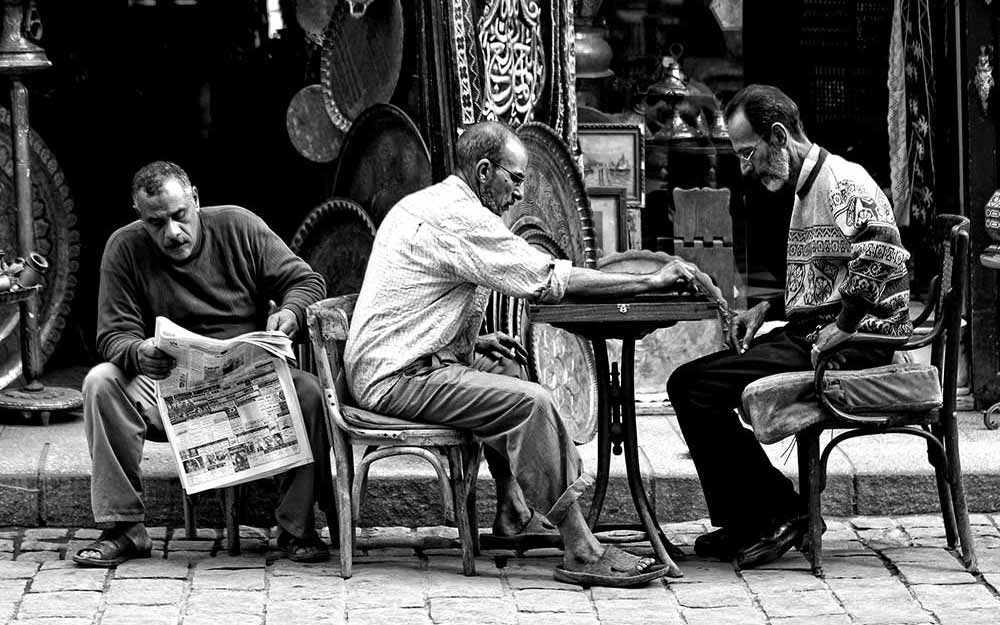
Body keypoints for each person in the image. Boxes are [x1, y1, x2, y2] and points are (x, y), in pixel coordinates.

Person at [344, 121, 704, 588]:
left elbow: (409, 301)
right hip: (397, 375)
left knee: (505, 361)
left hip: (409, 357)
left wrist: (468, 344)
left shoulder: (432, 203)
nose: (518, 193)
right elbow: (546, 277)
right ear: (484, 171)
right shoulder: (457, 215)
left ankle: (513, 511)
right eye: (514, 179)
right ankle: (580, 546)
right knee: (531, 403)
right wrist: (646, 280)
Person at [667, 85, 912, 569]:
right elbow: (826, 280)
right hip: (821, 333)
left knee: (693, 386)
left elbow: (885, 251)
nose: (745, 167)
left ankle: (780, 512)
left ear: (778, 137)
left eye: (747, 152)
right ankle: (752, 517)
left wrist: (845, 325)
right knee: (694, 383)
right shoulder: (808, 187)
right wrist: (767, 308)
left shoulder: (842, 180)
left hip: (856, 344)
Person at [74, 161, 332, 567]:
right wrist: (137, 353)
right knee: (101, 381)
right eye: (156, 223)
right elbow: (112, 335)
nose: (172, 232)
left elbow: (308, 281)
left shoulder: (239, 226)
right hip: (167, 391)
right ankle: (124, 528)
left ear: (196, 198)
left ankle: (295, 527)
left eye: (180, 216)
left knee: (311, 394)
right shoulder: (124, 248)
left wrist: (292, 312)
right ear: (140, 218)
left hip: (248, 384)